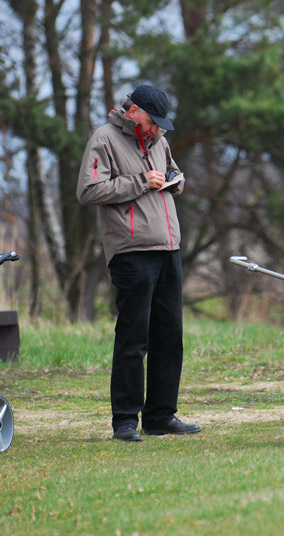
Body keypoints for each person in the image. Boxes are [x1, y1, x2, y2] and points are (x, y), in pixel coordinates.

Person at [77, 84, 200, 442]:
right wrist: (140, 182)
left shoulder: (158, 140)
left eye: (160, 123)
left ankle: (161, 416)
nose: (156, 129)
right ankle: (125, 422)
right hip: (131, 252)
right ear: (132, 112)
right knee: (134, 338)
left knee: (169, 336)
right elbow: (87, 191)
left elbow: (174, 173)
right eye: (151, 121)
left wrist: (174, 182)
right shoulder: (104, 139)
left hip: (168, 249)